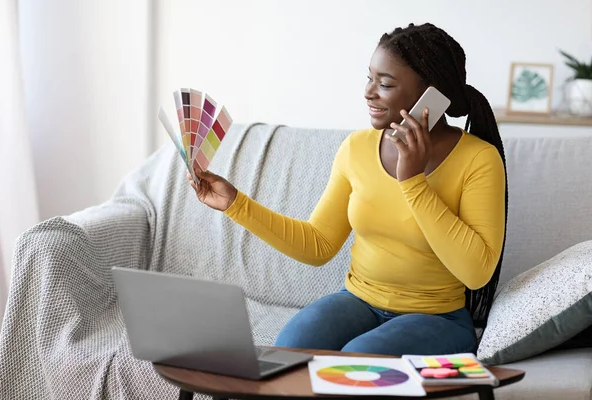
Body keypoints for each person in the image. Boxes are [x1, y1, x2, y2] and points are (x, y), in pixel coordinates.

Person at [187, 22, 507, 356]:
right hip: (359, 301)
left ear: (433, 95)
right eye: (369, 78)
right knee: (289, 349)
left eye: (385, 84)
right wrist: (235, 204)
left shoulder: (478, 159)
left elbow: (476, 272)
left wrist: (413, 183)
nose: (369, 92)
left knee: (360, 358)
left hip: (438, 318)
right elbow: (318, 244)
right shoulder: (356, 147)